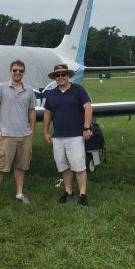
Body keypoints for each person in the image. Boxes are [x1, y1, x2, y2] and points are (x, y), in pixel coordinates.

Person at [0, 60, 37, 210]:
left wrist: (32, 130)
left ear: (24, 73)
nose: (17, 73)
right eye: (15, 70)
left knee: (21, 166)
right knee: (0, 166)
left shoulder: (29, 90)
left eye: (20, 71)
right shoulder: (1, 88)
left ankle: (19, 194)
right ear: (10, 71)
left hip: (25, 135)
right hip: (7, 135)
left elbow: (32, 111)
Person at [43, 63, 93, 206]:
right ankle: (68, 191)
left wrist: (86, 128)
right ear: (54, 78)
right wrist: (46, 131)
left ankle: (83, 194)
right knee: (63, 166)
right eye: (57, 75)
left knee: (79, 165)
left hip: (76, 135)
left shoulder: (78, 90)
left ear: (69, 76)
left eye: (63, 74)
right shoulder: (52, 94)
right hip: (58, 136)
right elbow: (48, 112)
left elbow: (88, 107)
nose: (60, 77)